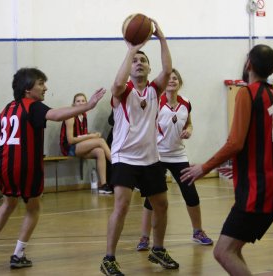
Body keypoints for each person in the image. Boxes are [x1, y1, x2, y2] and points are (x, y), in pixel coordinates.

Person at [0, 68, 105, 268]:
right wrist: (89, 105)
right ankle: (18, 254)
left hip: (3, 166)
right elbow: (58, 115)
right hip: (26, 166)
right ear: (27, 89)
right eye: (41, 83)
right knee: (33, 208)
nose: (45, 88)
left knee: (8, 204)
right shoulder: (33, 106)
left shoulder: (8, 108)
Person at [181, 44, 273, 276]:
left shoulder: (246, 92)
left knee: (223, 252)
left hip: (259, 190)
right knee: (232, 249)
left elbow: (235, 143)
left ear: (249, 64)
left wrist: (204, 167)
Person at [100, 19, 179, 276]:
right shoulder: (123, 91)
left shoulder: (156, 89)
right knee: (121, 206)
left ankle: (158, 249)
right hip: (124, 156)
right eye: (135, 61)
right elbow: (116, 84)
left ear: (149, 67)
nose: (139, 63)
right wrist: (131, 49)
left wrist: (162, 39)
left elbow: (168, 69)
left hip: (150, 158)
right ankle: (109, 258)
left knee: (162, 205)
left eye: (143, 60)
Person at [136, 68, 213, 252]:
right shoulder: (156, 101)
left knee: (191, 193)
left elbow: (189, 123)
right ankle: (145, 237)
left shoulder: (186, 103)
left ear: (179, 82)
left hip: (178, 155)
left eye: (175, 78)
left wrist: (190, 130)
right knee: (151, 198)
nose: (172, 80)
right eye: (169, 78)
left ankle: (197, 231)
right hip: (158, 155)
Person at [60, 93, 113, 194]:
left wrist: (91, 134)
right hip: (69, 148)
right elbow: (70, 140)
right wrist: (91, 137)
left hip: (78, 146)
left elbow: (81, 135)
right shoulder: (70, 116)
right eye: (78, 101)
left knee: (100, 151)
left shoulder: (83, 115)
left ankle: (103, 184)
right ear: (74, 104)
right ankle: (116, 164)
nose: (81, 103)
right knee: (101, 141)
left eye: (83, 101)